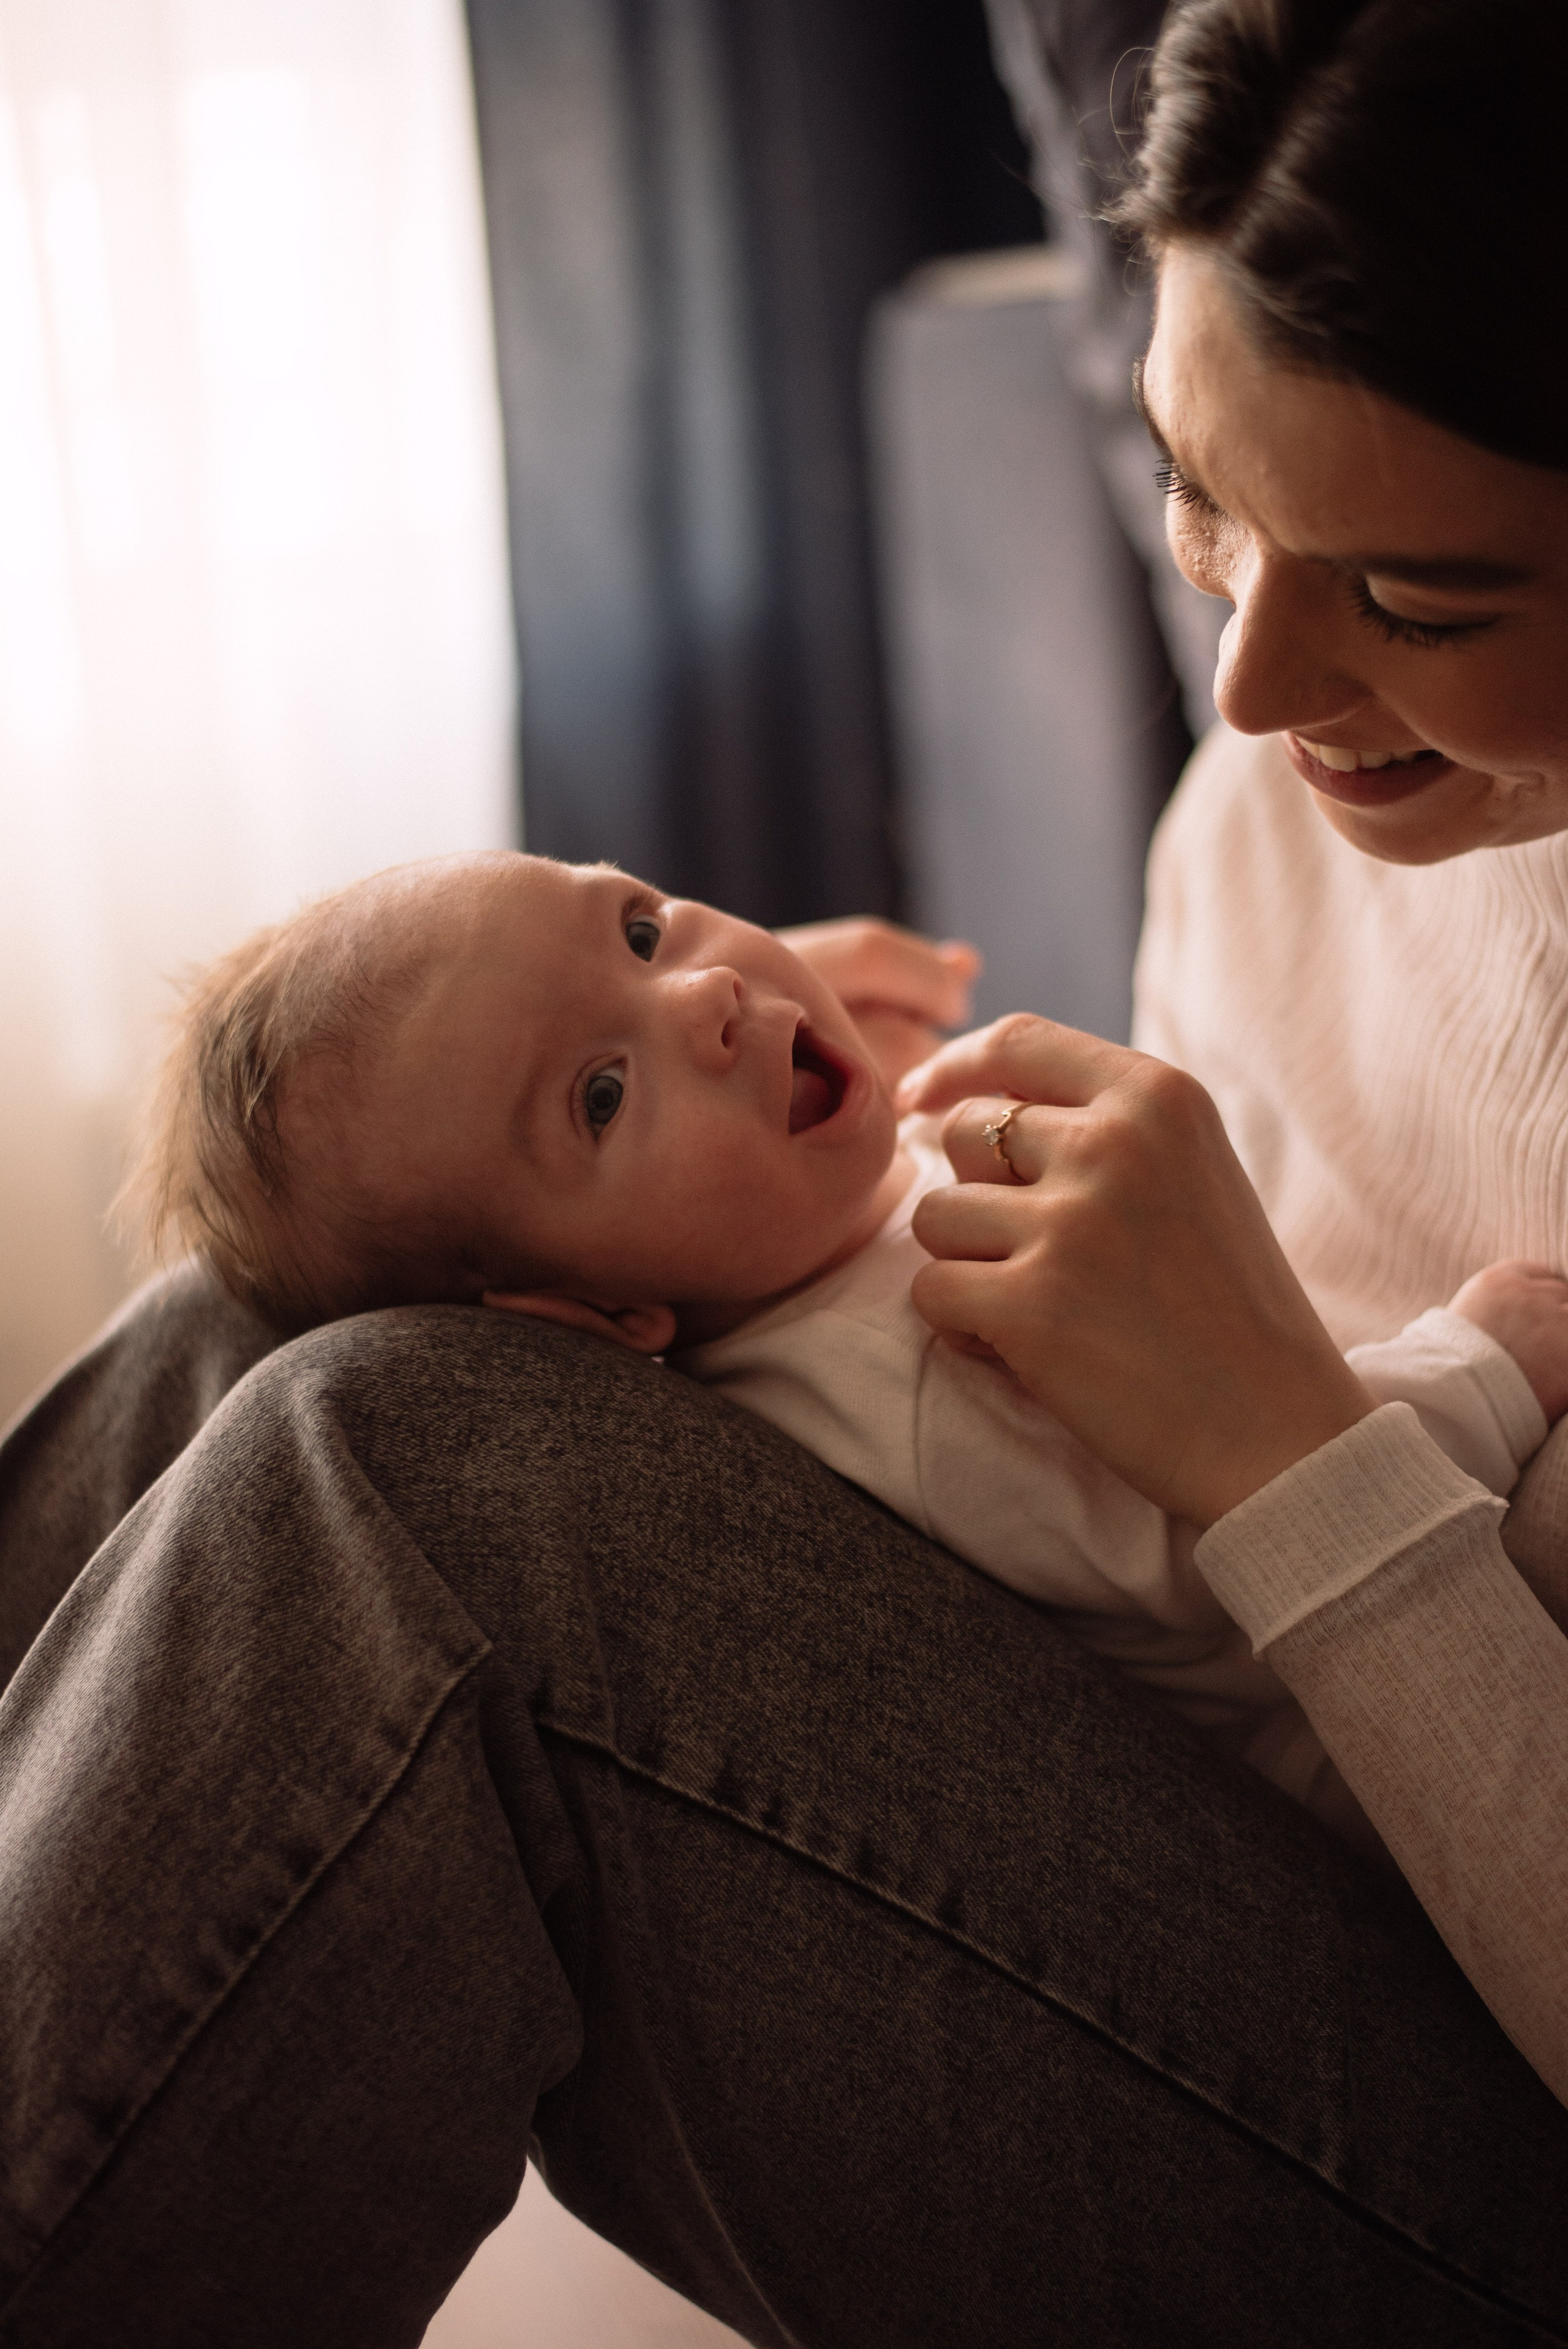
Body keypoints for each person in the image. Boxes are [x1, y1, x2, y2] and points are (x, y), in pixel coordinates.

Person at [4, 6, 1568, 2348]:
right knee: (267, 1294)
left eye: (1414, 602)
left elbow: (1229, 1427)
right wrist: (773, 1104)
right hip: (1211, 1744)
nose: (1245, 688)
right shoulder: (1281, 805)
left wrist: (1289, 1451)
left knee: (400, 1460)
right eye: (1204, 496)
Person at [130, 850, 1566, 1855]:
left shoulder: (808, 1263)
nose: (702, 991)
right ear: (595, 1326)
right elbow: (1247, 1541)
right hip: (1401, 1783)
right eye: (600, 1094)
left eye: (636, 926)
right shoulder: (924, 1376)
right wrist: (1475, 1364)